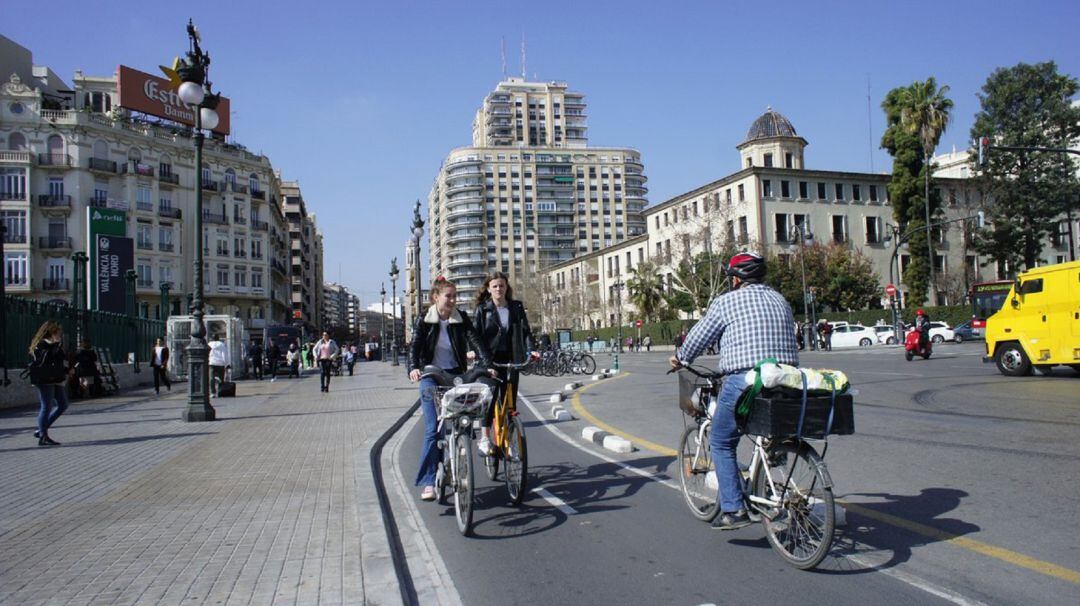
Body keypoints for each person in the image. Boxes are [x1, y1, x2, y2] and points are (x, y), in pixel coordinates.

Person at [669, 252, 799, 530]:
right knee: (767, 429)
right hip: (787, 379)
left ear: (737, 279)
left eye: (731, 277)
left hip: (747, 379)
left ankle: (733, 509)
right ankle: (772, 461)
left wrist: (681, 357)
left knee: (721, 441)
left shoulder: (726, 302)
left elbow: (699, 337)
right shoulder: (781, 300)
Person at [408, 277, 491, 502]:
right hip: (430, 375)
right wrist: (413, 368)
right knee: (433, 428)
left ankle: (458, 454)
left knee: (463, 421)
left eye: (455, 296)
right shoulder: (424, 320)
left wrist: (487, 365)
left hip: (455, 375)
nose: (453, 300)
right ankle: (428, 480)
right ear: (436, 297)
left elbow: (476, 341)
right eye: (449, 296)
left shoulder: (460, 318)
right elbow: (415, 346)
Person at [472, 272, 535, 456]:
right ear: (489, 289)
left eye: (502, 285)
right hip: (489, 360)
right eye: (495, 286)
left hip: (512, 358)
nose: (499, 289)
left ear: (507, 287)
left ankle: (510, 441)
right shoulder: (483, 309)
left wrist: (531, 351)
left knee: (510, 403)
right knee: (490, 397)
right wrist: (477, 355)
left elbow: (525, 332)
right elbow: (475, 336)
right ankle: (485, 437)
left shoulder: (516, 307)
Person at [27, 321, 71, 446]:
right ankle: (43, 436)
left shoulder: (56, 345)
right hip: (44, 379)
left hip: (56, 378)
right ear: (51, 333)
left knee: (63, 404)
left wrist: (67, 370)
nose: (59, 336)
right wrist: (53, 347)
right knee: (46, 406)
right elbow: (44, 361)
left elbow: (59, 362)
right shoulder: (41, 345)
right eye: (58, 333)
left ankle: (40, 430)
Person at [207, 333, 230, 397]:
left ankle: (212, 392)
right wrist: (226, 364)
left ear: (212, 338)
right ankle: (221, 391)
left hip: (211, 363)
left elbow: (207, 354)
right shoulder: (221, 344)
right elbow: (224, 354)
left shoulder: (209, 345)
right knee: (221, 378)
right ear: (218, 338)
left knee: (211, 378)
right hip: (220, 363)